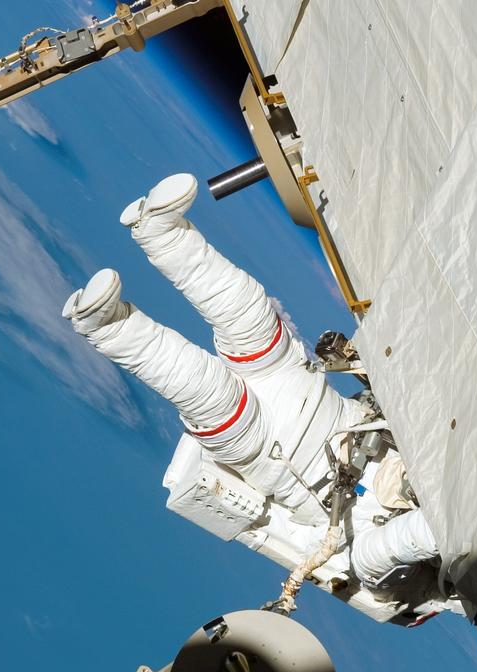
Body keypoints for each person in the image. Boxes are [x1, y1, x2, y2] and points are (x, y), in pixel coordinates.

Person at [63, 173, 438, 606]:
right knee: (248, 312)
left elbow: (396, 546)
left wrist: (451, 527)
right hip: (303, 387)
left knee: (206, 388)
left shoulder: (369, 551)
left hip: (272, 451)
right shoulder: (421, 449)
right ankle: (160, 232)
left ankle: (103, 324)